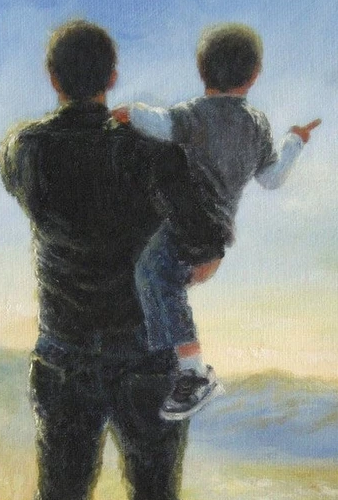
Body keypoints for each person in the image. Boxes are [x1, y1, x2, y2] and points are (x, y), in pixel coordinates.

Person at [0, 19, 225, 500]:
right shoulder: (150, 150)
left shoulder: (25, 149)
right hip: (146, 352)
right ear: (113, 77)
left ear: (53, 78)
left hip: (64, 352)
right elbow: (207, 242)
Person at [112, 23, 321, 420]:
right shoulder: (257, 124)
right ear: (254, 75)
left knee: (152, 273)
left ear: (201, 69)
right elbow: (271, 178)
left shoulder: (195, 114)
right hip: (217, 230)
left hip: (190, 223)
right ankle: (186, 367)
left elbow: (159, 124)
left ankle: (193, 372)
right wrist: (294, 142)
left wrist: (130, 112)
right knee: (161, 277)